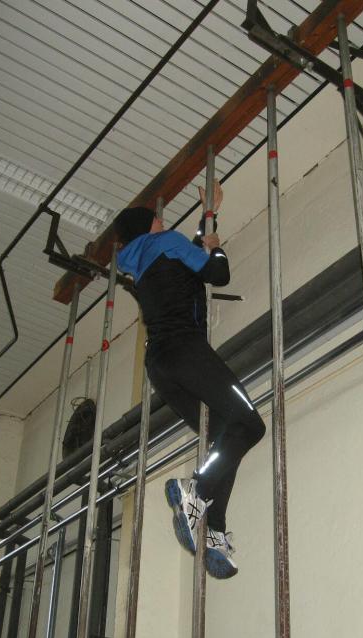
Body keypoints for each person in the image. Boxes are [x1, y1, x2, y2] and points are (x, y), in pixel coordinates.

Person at [114, 183, 265, 579]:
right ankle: (195, 490)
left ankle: (213, 529)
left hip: (161, 366)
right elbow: (218, 272)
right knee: (250, 424)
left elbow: (188, 256)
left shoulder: (142, 260)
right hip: (185, 349)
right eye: (157, 219)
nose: (163, 221)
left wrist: (208, 216)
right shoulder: (166, 241)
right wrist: (217, 248)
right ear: (149, 226)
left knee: (225, 437)